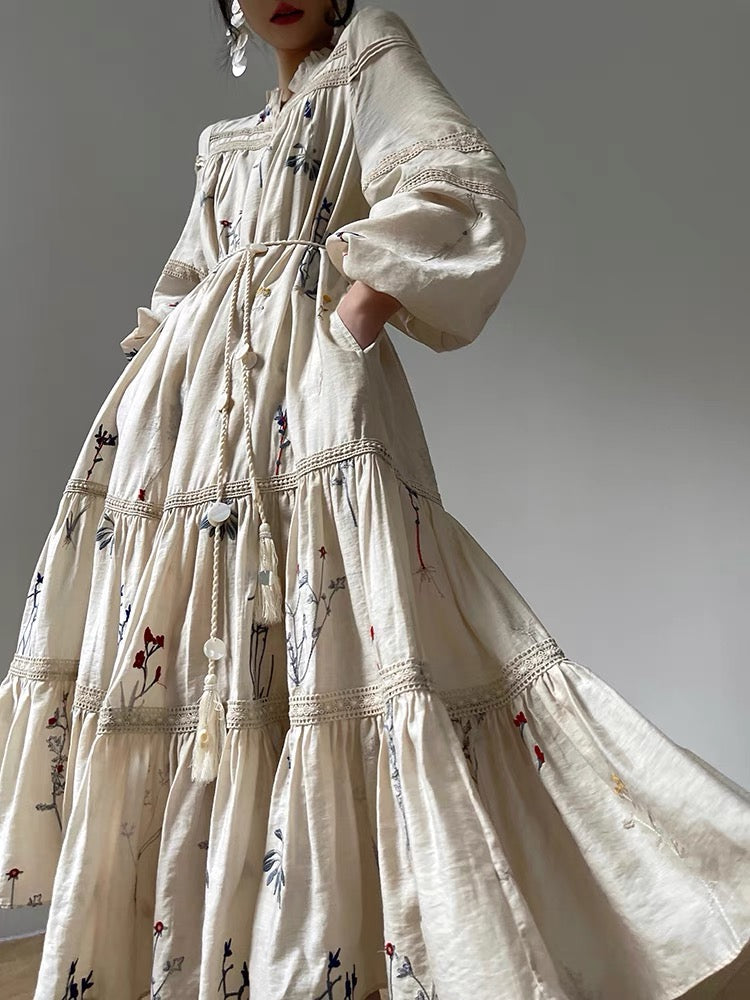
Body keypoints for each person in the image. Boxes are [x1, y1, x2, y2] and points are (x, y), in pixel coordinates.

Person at [1, 2, 749, 998]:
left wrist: (354, 306)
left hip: (308, 403)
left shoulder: (368, 59)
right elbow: (190, 278)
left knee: (355, 647)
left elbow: (460, 182)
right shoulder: (225, 143)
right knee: (211, 669)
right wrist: (162, 386)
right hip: (190, 432)